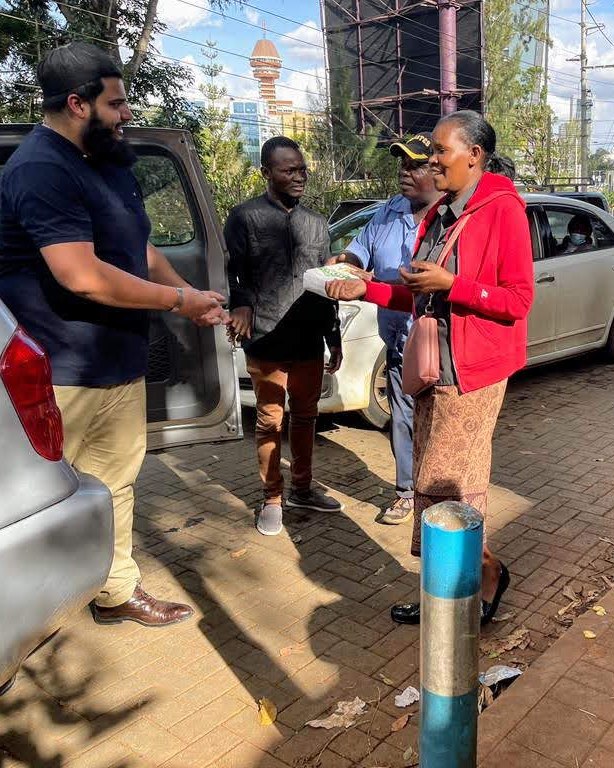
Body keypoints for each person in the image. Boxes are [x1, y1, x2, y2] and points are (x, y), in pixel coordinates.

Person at [0, 42, 228, 627]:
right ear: (77, 104)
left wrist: (186, 301)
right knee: (39, 498)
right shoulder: (41, 167)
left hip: (118, 363)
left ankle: (115, 590)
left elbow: (136, 251)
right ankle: (17, 615)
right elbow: (82, 276)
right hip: (59, 372)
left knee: (115, 484)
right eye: (116, 104)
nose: (127, 115)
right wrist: (179, 299)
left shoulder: (106, 162)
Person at [326, 110, 533, 625]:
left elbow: (518, 300)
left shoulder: (502, 210)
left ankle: (463, 587)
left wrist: (452, 285)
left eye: (441, 151)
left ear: (475, 156)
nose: (432, 160)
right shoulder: (440, 212)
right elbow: (416, 290)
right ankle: (453, 584)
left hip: (471, 375)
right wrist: (365, 287)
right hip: (430, 369)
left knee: (448, 484)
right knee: (433, 481)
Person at [225, 136, 344, 536]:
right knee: (270, 420)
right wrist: (240, 304)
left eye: (302, 169)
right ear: (266, 173)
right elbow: (233, 271)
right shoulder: (244, 217)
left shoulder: (316, 223)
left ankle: (304, 489)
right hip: (266, 336)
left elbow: (326, 283)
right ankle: (272, 497)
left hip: (308, 336)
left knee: (307, 417)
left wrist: (335, 338)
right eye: (288, 169)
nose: (299, 176)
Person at [332, 133, 443, 525]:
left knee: (440, 423)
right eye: (402, 164)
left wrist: (369, 282)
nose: (404, 172)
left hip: (439, 344)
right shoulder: (387, 212)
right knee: (401, 416)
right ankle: (406, 491)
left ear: (436, 169)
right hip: (397, 339)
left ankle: (440, 493)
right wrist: (343, 260)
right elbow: (359, 249)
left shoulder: (448, 217)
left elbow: (422, 282)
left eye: (414, 164)